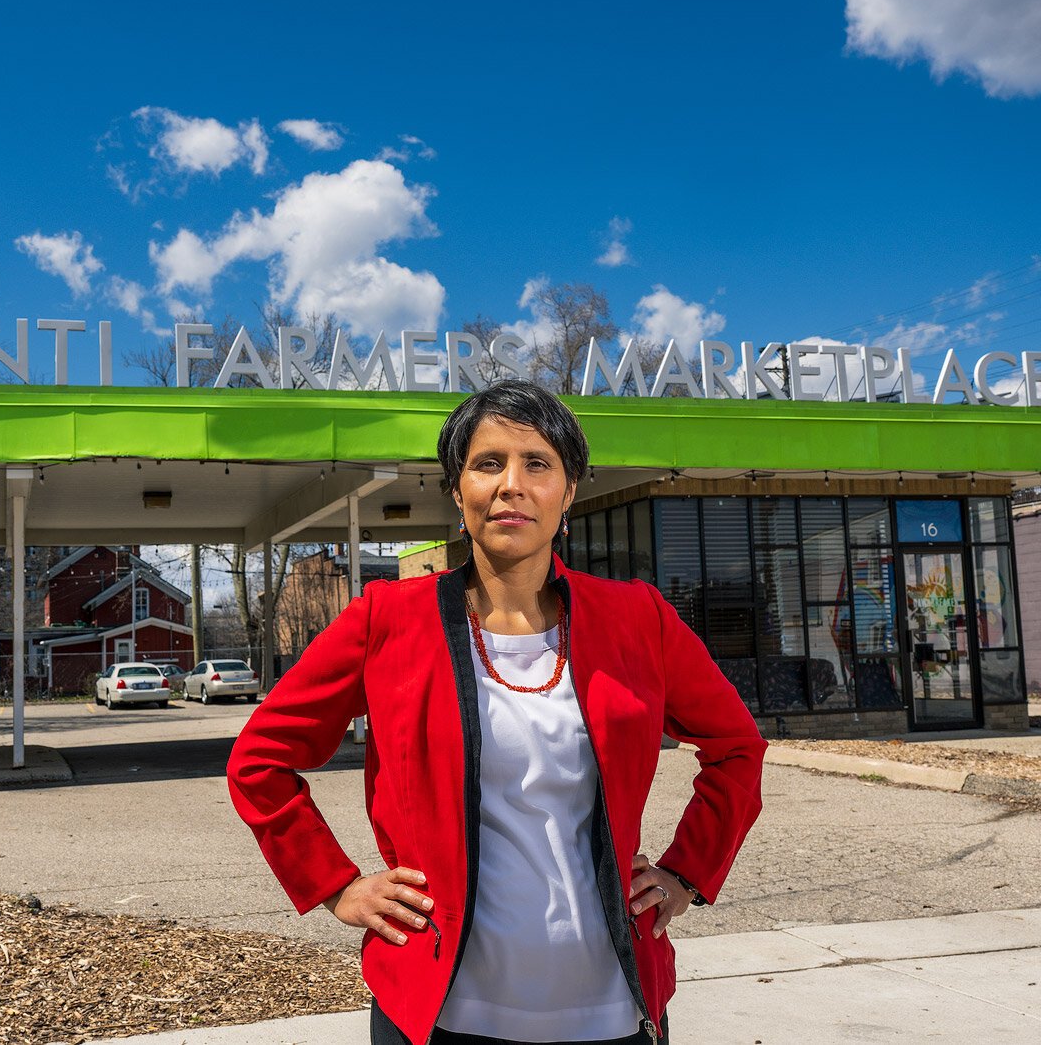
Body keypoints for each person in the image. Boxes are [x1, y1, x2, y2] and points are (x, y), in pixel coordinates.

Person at [227, 379, 766, 1044]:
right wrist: (337, 887)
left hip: (606, 1009)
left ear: (568, 492)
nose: (512, 483)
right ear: (459, 491)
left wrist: (687, 872)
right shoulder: (387, 620)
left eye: (537, 463)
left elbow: (738, 749)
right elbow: (259, 761)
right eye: (488, 464)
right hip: (439, 1012)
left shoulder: (638, 619)